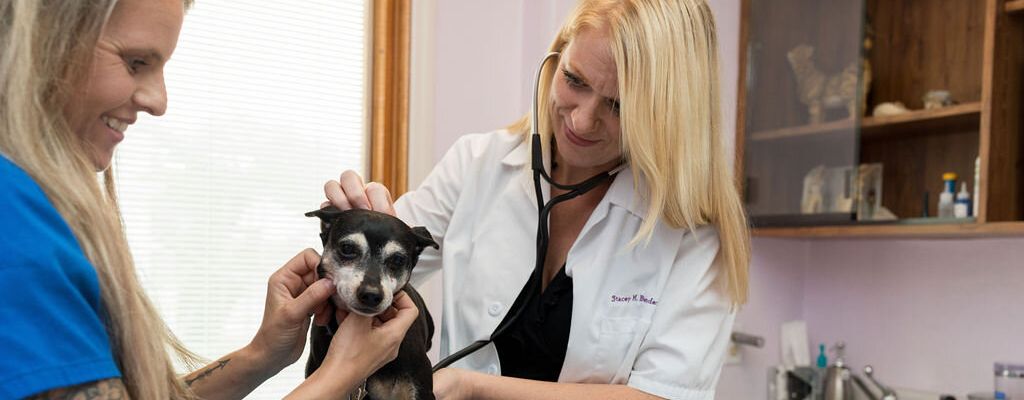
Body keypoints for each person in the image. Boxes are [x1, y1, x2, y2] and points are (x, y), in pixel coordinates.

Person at [324, 0, 752, 399]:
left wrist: (473, 387)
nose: (582, 120)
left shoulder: (693, 231)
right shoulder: (477, 164)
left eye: (620, 106)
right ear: (557, 58)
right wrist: (358, 224)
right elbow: (366, 283)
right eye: (574, 80)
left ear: (669, 113)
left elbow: (664, 394)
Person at [0, 0, 416, 398]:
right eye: (135, 62)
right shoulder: (15, 223)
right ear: (43, 42)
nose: (158, 101)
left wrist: (261, 355)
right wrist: (337, 378)